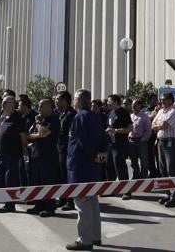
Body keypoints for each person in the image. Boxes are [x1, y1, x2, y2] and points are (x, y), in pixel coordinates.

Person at [65, 90, 109, 251]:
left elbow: (83, 142)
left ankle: (85, 240)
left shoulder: (80, 117)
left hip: (81, 167)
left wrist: (93, 155)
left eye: (74, 99)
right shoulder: (95, 116)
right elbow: (103, 138)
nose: (73, 102)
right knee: (92, 201)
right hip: (91, 166)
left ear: (79, 100)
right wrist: (100, 154)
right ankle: (95, 236)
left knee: (82, 202)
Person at [27, 98, 62, 217]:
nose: (39, 108)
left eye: (42, 106)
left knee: (48, 182)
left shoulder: (54, 120)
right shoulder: (41, 119)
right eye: (39, 106)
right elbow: (30, 134)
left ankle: (49, 208)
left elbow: (43, 133)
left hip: (48, 156)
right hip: (37, 153)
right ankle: (38, 205)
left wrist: (39, 124)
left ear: (49, 107)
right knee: (37, 182)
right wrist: (37, 133)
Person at [150, 91, 175, 207]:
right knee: (163, 170)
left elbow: (164, 125)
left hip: (172, 142)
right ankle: (167, 194)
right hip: (161, 142)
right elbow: (152, 125)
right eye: (161, 99)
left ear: (170, 100)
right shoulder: (160, 111)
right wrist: (160, 124)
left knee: (172, 170)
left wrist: (159, 124)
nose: (161, 101)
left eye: (163, 99)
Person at [55, 92, 77, 211]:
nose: (55, 101)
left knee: (68, 176)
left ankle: (70, 201)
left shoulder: (71, 114)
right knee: (61, 176)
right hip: (60, 149)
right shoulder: (61, 114)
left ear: (64, 100)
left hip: (68, 150)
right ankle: (63, 198)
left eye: (58, 99)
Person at [104, 94, 132, 186]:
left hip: (120, 144)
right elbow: (109, 125)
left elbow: (130, 128)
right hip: (110, 144)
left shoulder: (123, 112)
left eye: (109, 101)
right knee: (109, 165)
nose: (108, 103)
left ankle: (126, 189)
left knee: (119, 165)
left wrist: (116, 131)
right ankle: (110, 188)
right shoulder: (111, 112)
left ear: (115, 102)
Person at [128, 99, 151, 183]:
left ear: (140, 106)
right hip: (131, 141)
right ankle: (136, 176)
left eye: (135, 105)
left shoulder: (145, 116)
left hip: (141, 141)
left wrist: (142, 139)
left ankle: (144, 177)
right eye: (132, 105)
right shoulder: (130, 116)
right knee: (133, 161)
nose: (133, 106)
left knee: (144, 161)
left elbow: (148, 131)